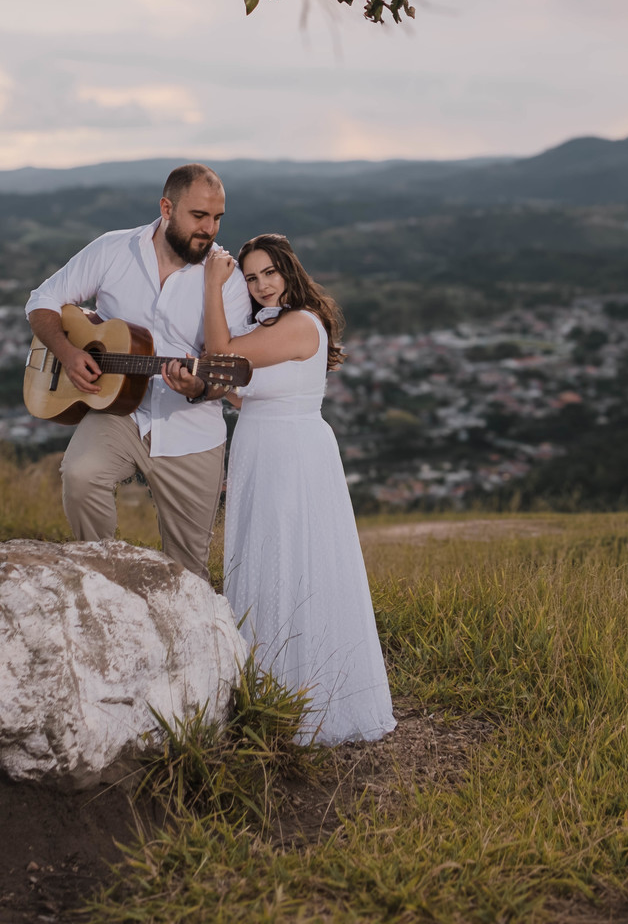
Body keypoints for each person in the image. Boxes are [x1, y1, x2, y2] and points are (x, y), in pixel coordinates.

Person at [203, 233, 395, 744]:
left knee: (293, 559)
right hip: (260, 448)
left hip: (292, 456)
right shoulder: (268, 325)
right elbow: (247, 394)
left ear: (289, 271)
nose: (262, 285)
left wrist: (210, 284)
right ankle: (266, 687)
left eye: (270, 273)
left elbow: (222, 352)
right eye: (250, 278)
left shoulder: (300, 324)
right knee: (261, 559)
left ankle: (308, 695)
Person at [25, 163, 252, 580]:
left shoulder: (228, 281)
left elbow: (226, 372)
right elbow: (43, 300)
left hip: (191, 428)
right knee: (80, 475)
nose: (210, 229)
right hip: (119, 413)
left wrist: (200, 387)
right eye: (198, 216)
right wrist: (69, 351)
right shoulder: (114, 250)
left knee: (189, 572)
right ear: (167, 208)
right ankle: (101, 578)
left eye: (217, 218)